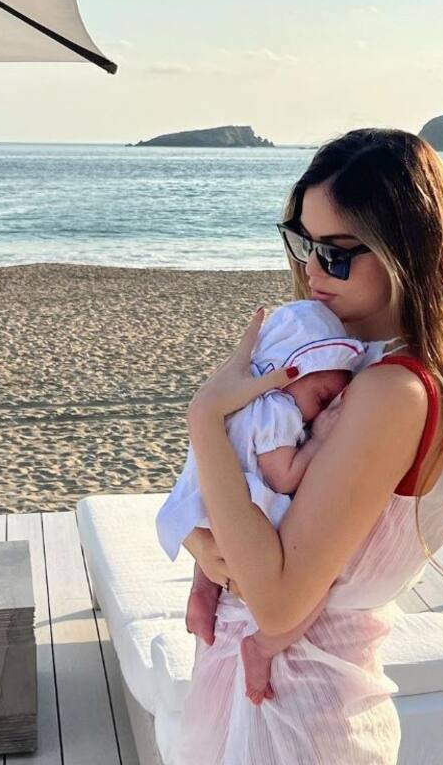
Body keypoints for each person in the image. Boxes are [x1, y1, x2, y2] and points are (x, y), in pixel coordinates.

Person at [178, 128, 443, 764]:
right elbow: (246, 520)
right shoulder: (356, 366)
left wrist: (204, 417)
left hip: (294, 714)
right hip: (276, 694)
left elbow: (277, 600)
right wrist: (204, 543)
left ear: (406, 252)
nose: (310, 270)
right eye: (302, 243)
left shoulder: (392, 390)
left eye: (335, 253)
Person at [155, 299, 368, 703]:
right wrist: (319, 441)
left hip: (212, 502)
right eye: (322, 397)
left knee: (215, 540)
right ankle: (264, 646)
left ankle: (202, 593)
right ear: (289, 375)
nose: (319, 412)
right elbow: (282, 475)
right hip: (246, 507)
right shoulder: (278, 410)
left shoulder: (246, 402)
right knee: (320, 588)